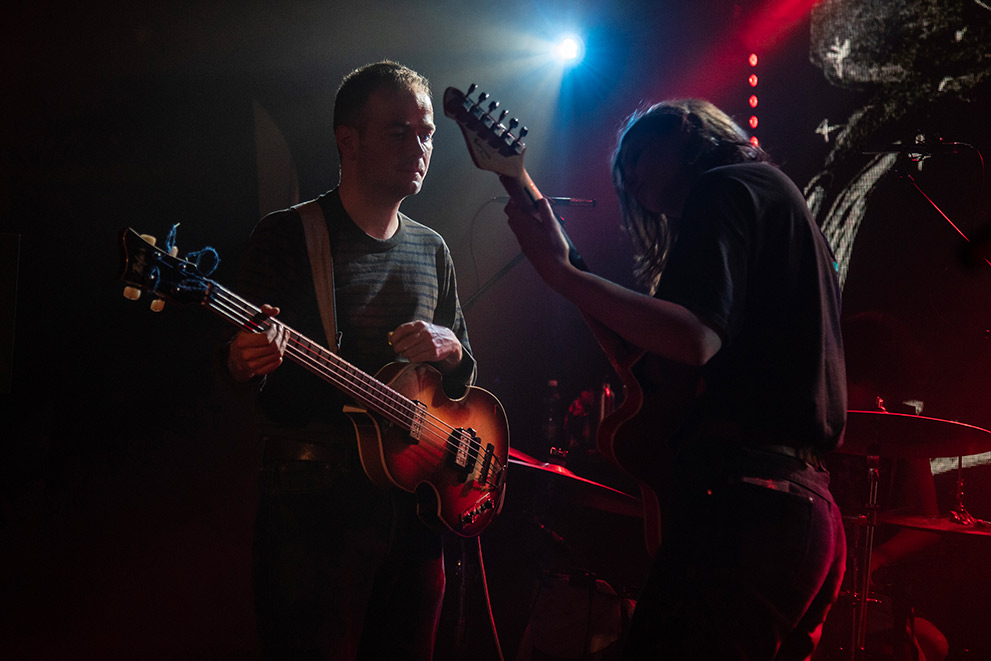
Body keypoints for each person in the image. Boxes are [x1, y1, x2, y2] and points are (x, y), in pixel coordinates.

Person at [504, 98, 847, 659]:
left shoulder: (724, 186)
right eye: (622, 174)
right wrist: (567, 267)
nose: (630, 178)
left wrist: (562, 276)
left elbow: (694, 338)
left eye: (638, 156)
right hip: (801, 511)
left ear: (685, 131)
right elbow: (656, 361)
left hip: (750, 510)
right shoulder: (774, 200)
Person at [223, 60, 476, 660]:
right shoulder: (286, 236)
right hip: (314, 506)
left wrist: (450, 347)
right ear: (348, 141)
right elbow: (230, 370)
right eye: (398, 132)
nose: (419, 147)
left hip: (415, 509)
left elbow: (465, 382)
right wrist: (241, 359)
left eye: (427, 133)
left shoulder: (432, 249)